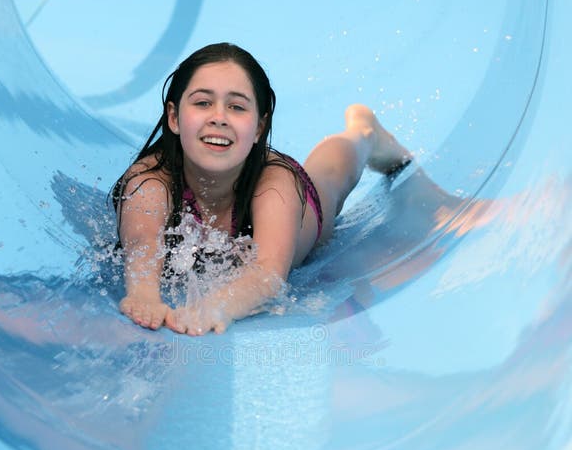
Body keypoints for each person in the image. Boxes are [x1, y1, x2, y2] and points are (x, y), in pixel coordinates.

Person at [112, 42, 412, 335]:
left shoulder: (275, 185)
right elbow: (143, 243)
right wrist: (143, 295)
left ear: (258, 127)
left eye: (237, 107)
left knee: (331, 176)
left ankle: (364, 133)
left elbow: (268, 273)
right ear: (174, 117)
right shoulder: (150, 179)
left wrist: (217, 306)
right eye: (203, 103)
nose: (219, 117)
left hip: (300, 213)